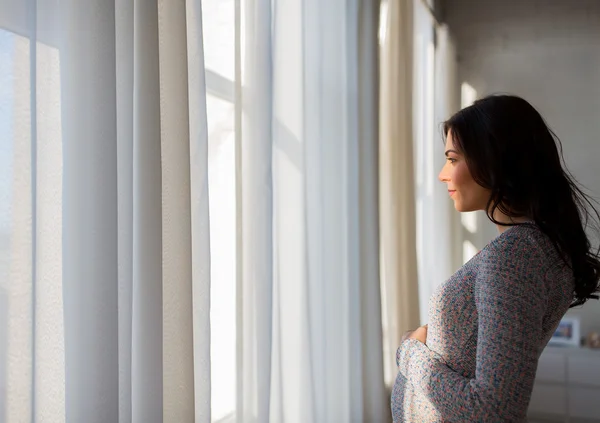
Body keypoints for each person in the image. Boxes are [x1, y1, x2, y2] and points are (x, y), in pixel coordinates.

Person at [391, 94, 600, 422]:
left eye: (452, 159)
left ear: (493, 160)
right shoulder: (534, 248)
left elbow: (494, 412)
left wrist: (408, 352)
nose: (442, 174)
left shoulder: (515, 258)